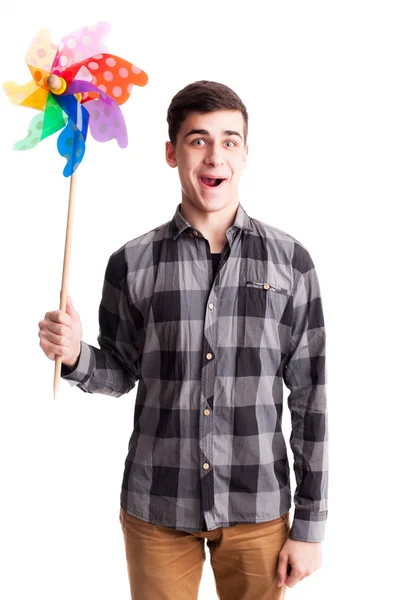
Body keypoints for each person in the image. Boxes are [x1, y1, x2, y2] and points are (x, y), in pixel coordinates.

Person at [38, 80, 328, 599]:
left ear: (245, 152)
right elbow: (122, 372)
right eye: (198, 140)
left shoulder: (291, 262)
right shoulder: (132, 262)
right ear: (172, 153)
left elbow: (312, 399)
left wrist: (309, 525)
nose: (215, 155)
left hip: (257, 507)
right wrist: (78, 353)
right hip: (157, 505)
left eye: (229, 140)